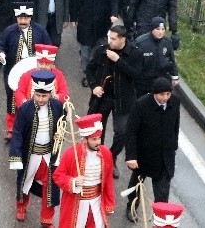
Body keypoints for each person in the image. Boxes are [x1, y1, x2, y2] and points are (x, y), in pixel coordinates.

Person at [9, 70, 64, 225]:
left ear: (50, 94)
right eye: (38, 95)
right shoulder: (25, 109)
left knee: (50, 187)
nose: (40, 99)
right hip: (30, 154)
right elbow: (18, 133)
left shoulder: (58, 106)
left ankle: (47, 218)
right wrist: (16, 156)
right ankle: (21, 207)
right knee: (24, 182)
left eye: (44, 96)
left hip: (49, 155)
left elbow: (61, 124)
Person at [85, 24, 141, 177]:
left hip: (123, 99)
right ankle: (99, 158)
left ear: (123, 39)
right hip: (103, 98)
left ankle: (111, 156)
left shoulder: (135, 54)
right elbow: (89, 69)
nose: (110, 41)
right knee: (97, 130)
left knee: (122, 132)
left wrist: (118, 61)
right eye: (109, 37)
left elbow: (136, 75)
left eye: (114, 38)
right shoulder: (101, 50)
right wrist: (94, 86)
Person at [123, 77, 180, 215]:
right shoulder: (141, 105)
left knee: (162, 191)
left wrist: (173, 145)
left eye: (168, 94)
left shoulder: (175, 102)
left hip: (165, 155)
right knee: (137, 184)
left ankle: (161, 217)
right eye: (162, 94)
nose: (165, 97)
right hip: (144, 154)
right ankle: (132, 207)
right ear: (154, 93)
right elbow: (131, 131)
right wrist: (131, 156)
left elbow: (175, 125)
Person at [0, 6, 52, 139]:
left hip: (34, 72)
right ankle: (11, 127)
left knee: (34, 97)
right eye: (20, 18)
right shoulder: (9, 31)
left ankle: (33, 126)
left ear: (30, 18)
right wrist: (1, 55)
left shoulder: (40, 31)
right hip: (13, 71)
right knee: (12, 97)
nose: (22, 21)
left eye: (25, 18)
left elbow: (48, 47)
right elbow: (1, 45)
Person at [53, 113, 116, 228]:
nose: (98, 142)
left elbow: (108, 181)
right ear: (85, 139)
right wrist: (73, 182)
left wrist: (109, 203)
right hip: (76, 203)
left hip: (96, 201)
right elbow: (58, 175)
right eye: (94, 139)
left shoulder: (106, 153)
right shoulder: (71, 154)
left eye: (99, 138)